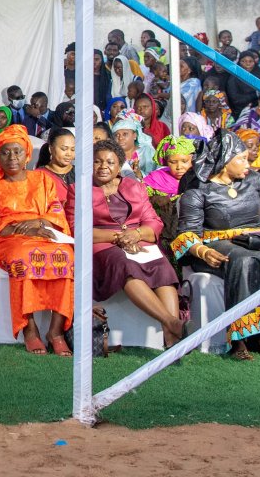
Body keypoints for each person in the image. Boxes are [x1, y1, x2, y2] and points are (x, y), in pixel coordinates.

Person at [171, 130, 260, 361]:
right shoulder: (198, 187)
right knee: (242, 259)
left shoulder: (254, 180)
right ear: (224, 162)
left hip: (257, 240)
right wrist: (203, 251)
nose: (247, 163)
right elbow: (187, 232)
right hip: (215, 244)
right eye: (240, 158)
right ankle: (239, 337)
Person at [0, 125, 73, 355]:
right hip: (2, 241)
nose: (12, 157)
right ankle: (29, 329)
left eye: (18, 152)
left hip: (41, 234)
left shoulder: (43, 180)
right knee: (23, 257)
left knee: (68, 256)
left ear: (27, 155)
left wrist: (39, 223)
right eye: (5, 152)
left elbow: (55, 213)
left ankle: (56, 331)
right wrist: (19, 229)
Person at [66, 139, 183, 347]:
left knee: (162, 265)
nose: (103, 167)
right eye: (97, 162)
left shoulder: (134, 187)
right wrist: (119, 237)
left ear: (120, 166)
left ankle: (173, 340)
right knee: (125, 264)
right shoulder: (79, 189)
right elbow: (76, 229)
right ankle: (172, 323)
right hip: (101, 244)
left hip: (137, 240)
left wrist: (136, 234)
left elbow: (153, 222)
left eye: (110, 162)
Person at [144, 135, 196, 254]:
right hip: (163, 232)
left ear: (192, 160)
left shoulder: (197, 179)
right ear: (166, 162)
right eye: (173, 162)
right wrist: (155, 199)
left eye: (184, 161)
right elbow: (140, 199)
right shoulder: (155, 179)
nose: (179, 167)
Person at [35, 127, 76, 198]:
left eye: (73, 150)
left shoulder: (80, 173)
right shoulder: (39, 176)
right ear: (51, 149)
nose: (69, 154)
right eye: (64, 149)